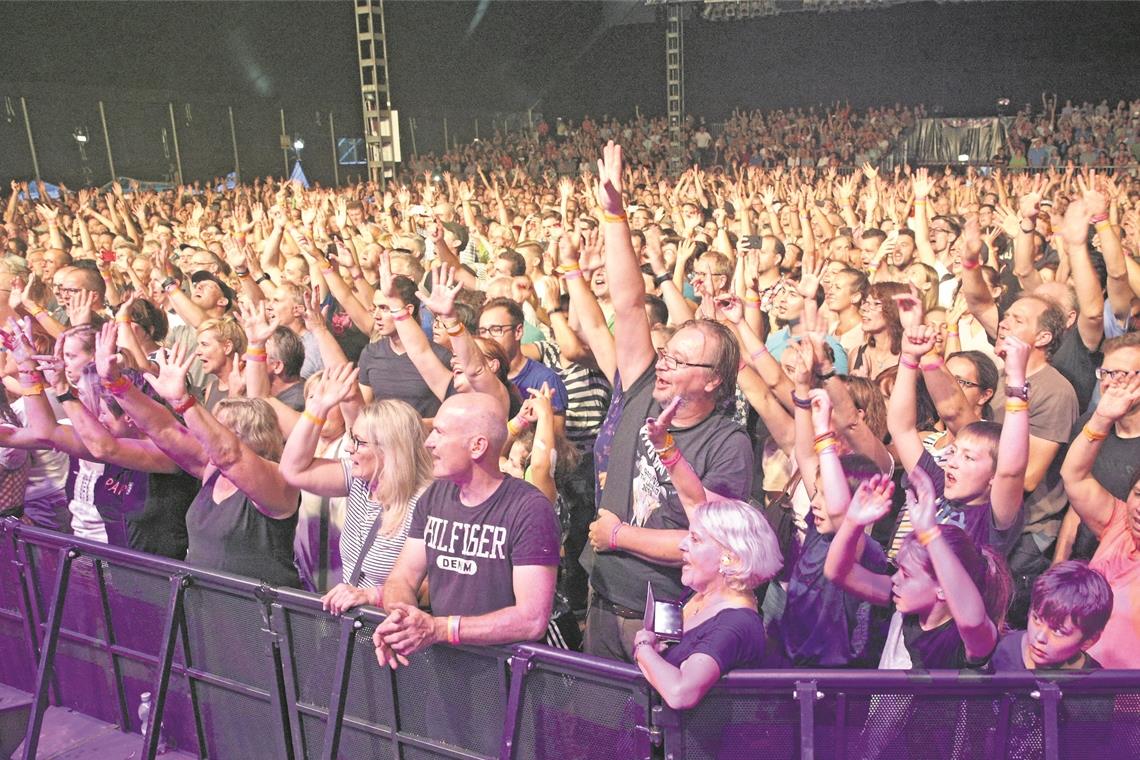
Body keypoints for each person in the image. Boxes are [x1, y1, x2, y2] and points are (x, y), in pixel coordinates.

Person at [582, 142, 753, 663]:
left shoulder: (730, 446)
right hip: (603, 596)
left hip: (666, 610)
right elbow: (629, 306)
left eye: (680, 362)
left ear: (714, 382)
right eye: (666, 354)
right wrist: (615, 216)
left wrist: (620, 536)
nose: (663, 364)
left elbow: (717, 542)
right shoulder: (640, 392)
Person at [372, 392, 560, 667]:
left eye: (439, 432)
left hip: (507, 677)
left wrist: (440, 629)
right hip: (445, 668)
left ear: (477, 446)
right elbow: (403, 577)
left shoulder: (529, 509)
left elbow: (531, 620)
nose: (428, 442)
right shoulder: (435, 496)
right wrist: (404, 620)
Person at [281, 364, 432, 612]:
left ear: (391, 450)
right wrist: (316, 409)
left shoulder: (427, 502)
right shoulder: (360, 479)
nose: (349, 448)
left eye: (359, 442)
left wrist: (373, 596)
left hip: (394, 628)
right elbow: (293, 470)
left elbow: (437, 586)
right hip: (356, 626)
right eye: (351, 439)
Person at [825, 470, 1012, 670]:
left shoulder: (964, 640)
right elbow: (837, 572)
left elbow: (973, 622)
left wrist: (929, 533)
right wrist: (853, 522)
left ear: (942, 588)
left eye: (906, 574)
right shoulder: (900, 601)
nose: (895, 579)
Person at [631, 499, 781, 710]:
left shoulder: (736, 624)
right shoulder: (698, 592)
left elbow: (680, 693)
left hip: (693, 742)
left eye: (695, 539)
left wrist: (643, 648)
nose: (682, 544)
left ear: (730, 558)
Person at [1059, 370, 1140, 668]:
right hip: (1083, 687)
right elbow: (1074, 476)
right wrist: (1102, 420)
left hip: (1129, 701)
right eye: (1138, 494)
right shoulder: (1118, 523)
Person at [990, 561, 1111, 671]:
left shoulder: (1096, 684)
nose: (1040, 637)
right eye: (1036, 619)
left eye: (1058, 631)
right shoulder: (1002, 650)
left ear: (1089, 641)